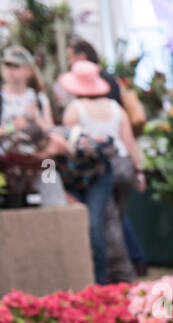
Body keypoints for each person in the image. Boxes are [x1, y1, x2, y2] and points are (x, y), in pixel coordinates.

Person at [58, 61, 144, 284]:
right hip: (124, 165)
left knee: (108, 223)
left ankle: (118, 274)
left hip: (98, 170)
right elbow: (129, 142)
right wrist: (139, 171)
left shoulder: (75, 109)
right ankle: (127, 268)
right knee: (117, 219)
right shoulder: (116, 108)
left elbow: (69, 144)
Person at [1, 46, 53, 130]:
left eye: (16, 65)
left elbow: (52, 132)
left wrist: (36, 119)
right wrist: (12, 127)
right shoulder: (2, 96)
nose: (10, 69)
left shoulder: (39, 98)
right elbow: (11, 128)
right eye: (7, 64)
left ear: (29, 70)